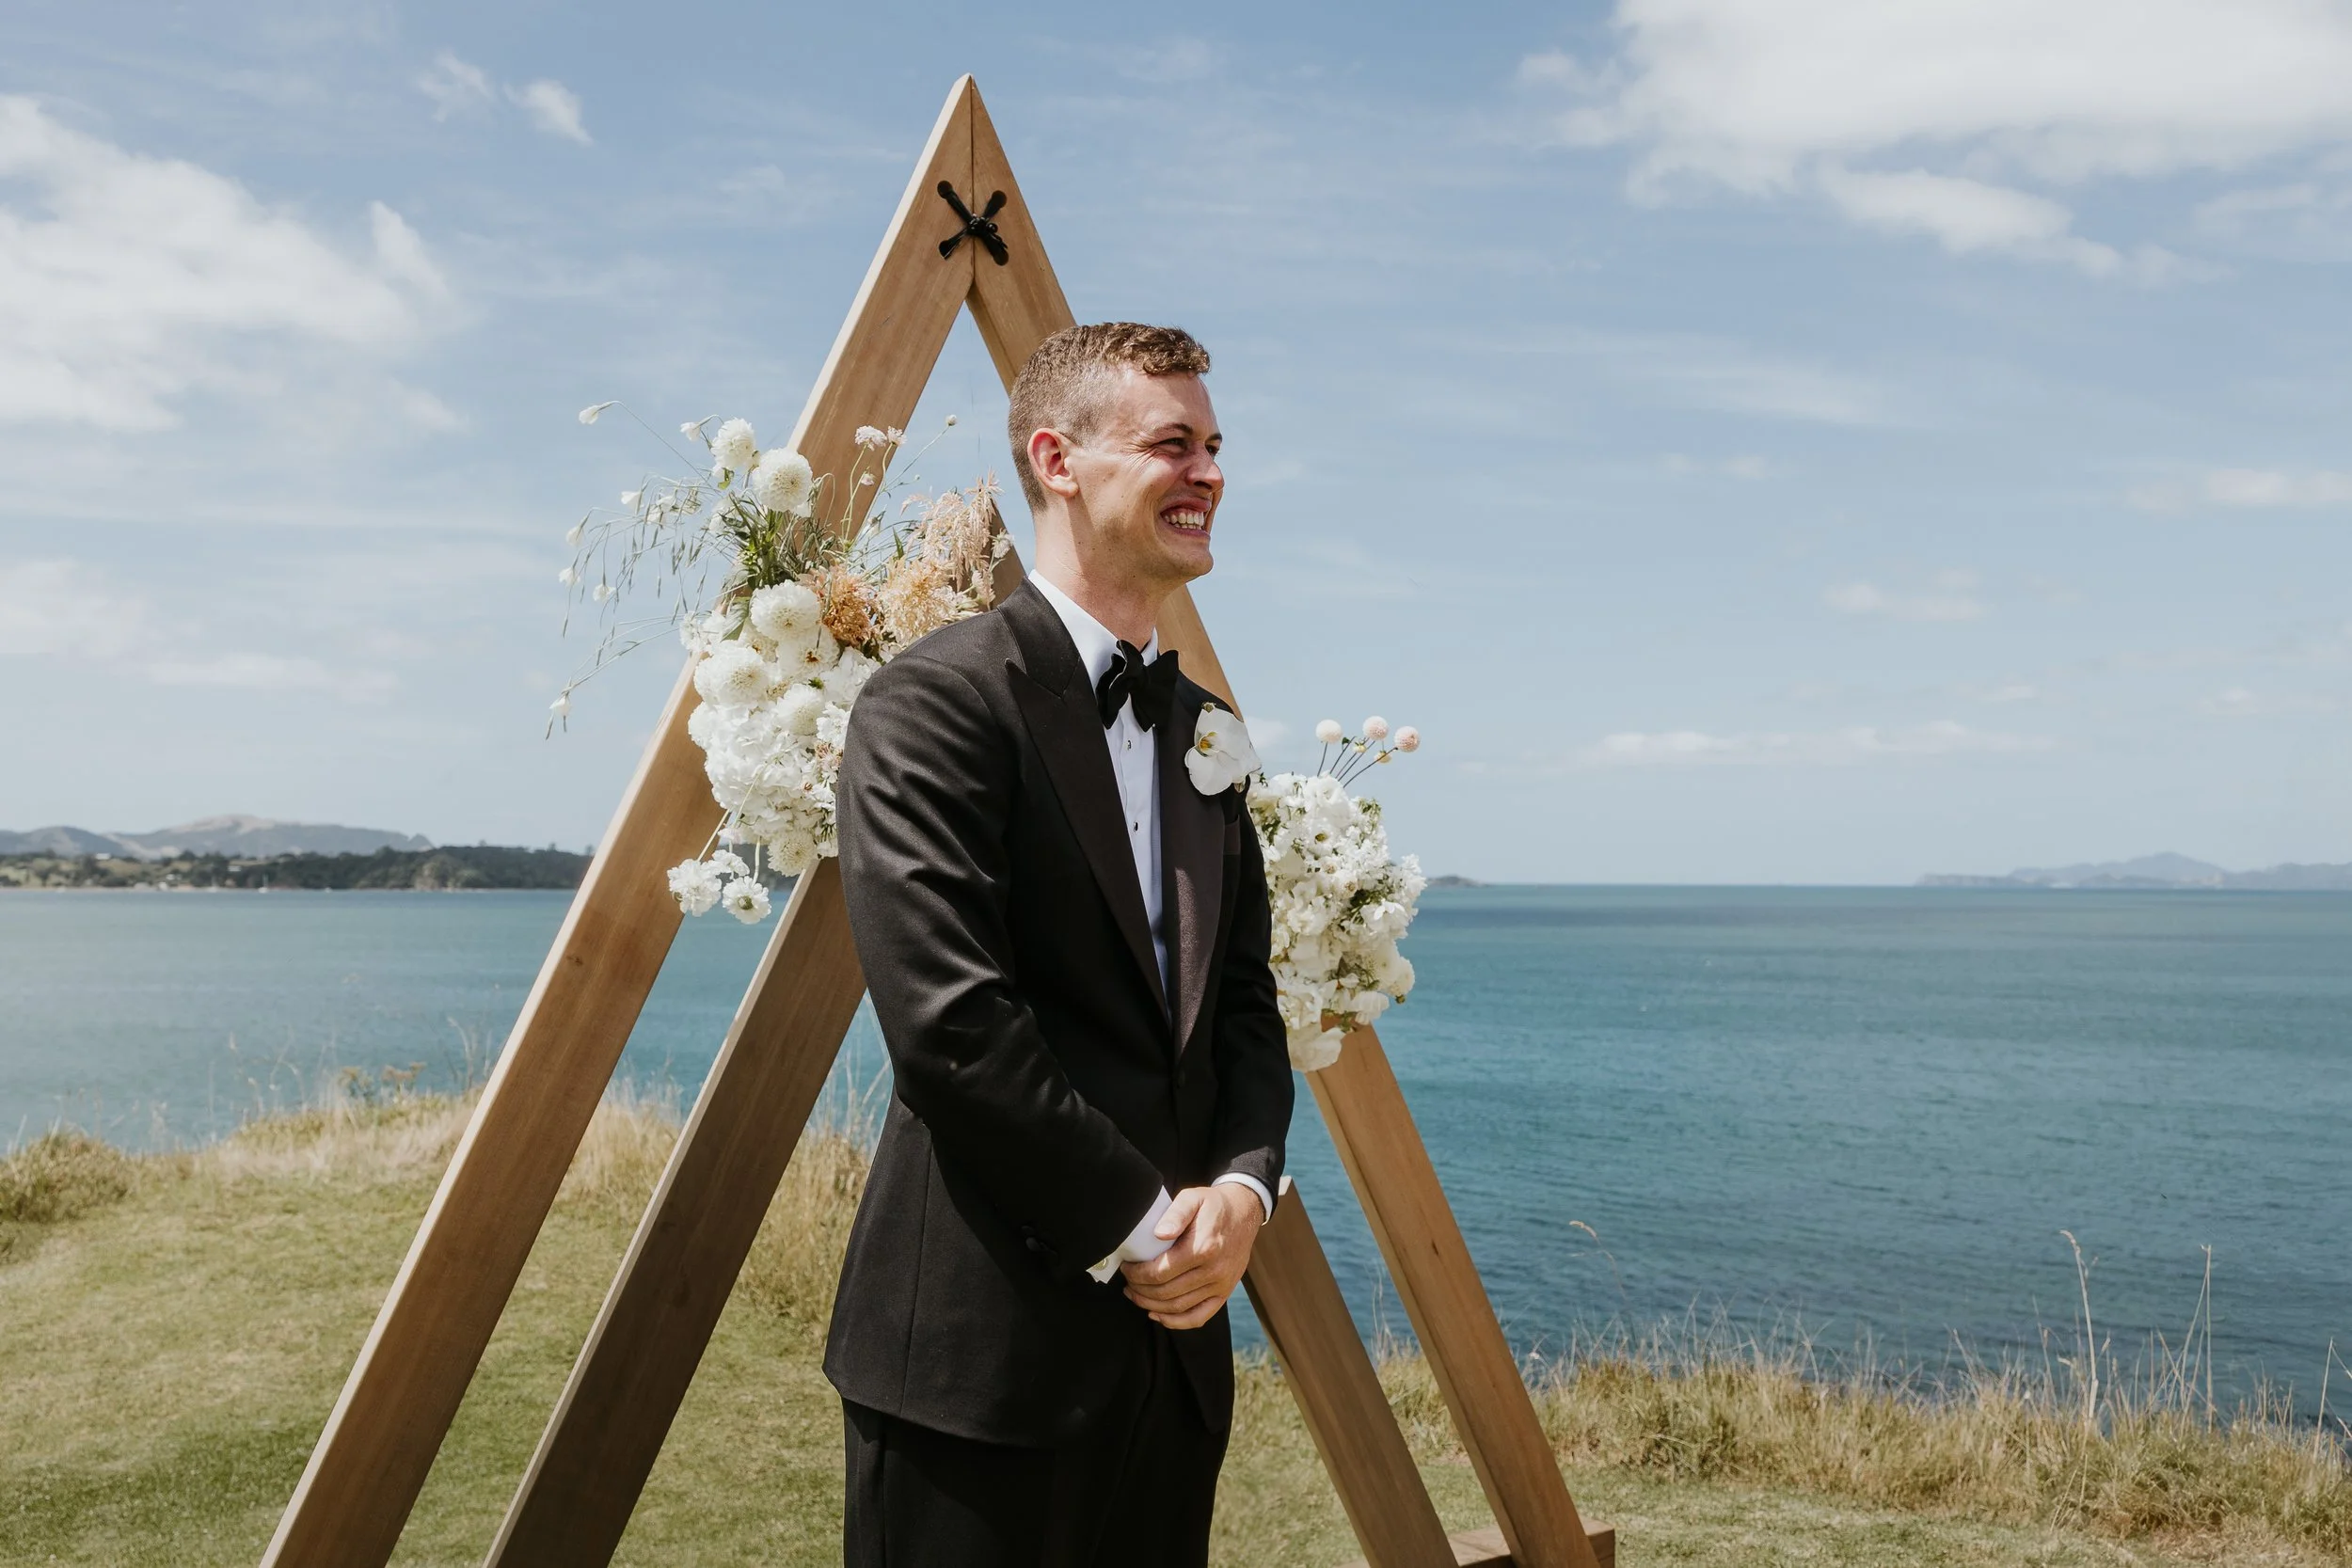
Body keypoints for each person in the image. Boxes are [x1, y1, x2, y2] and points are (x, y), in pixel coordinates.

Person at [827, 322, 1293, 1568]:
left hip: (1173, 1371)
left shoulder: (1209, 733)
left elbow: (1244, 1004)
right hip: (979, 1367)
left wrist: (1244, 1192)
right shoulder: (931, 703)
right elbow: (951, 1028)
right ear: (1059, 458)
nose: (1208, 472)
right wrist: (1149, 1234)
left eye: (1214, 446)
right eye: (1171, 443)